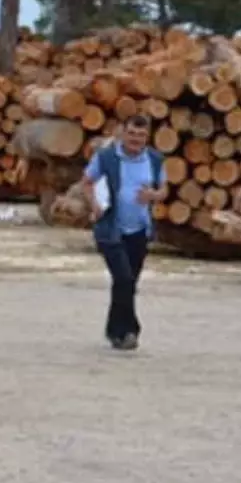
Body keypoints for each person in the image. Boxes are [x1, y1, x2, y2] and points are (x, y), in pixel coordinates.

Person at [83, 115, 166, 351]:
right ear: (122, 133)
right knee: (124, 279)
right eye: (131, 134)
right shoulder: (107, 157)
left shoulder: (155, 159)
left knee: (127, 283)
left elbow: (163, 189)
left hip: (139, 230)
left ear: (147, 137)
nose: (135, 140)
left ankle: (114, 330)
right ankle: (130, 330)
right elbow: (87, 181)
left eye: (141, 135)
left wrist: (154, 196)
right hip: (111, 230)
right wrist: (94, 205)